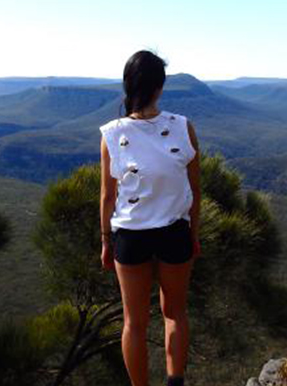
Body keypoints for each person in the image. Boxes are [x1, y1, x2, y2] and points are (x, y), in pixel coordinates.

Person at [99, 50, 202, 386]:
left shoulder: (112, 134)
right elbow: (195, 191)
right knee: (175, 313)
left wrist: (105, 242)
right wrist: (194, 234)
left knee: (134, 323)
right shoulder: (183, 127)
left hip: (130, 236)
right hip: (175, 232)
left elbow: (107, 197)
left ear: (128, 85)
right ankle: (175, 380)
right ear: (160, 87)